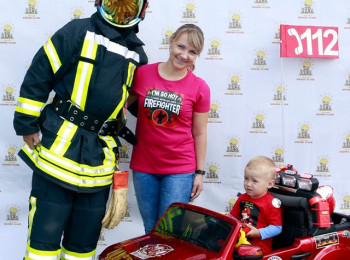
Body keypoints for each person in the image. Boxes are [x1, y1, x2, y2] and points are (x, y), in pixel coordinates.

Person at [13, 1, 148, 259]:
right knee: (43, 238)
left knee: (83, 244)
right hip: (58, 153)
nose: (121, 9)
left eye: (129, 5)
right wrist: (26, 122)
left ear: (141, 10)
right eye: (114, 2)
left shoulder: (138, 55)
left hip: (99, 162)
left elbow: (138, 104)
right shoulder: (77, 31)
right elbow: (40, 73)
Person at [128, 23, 211, 234]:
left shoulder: (200, 87)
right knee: (150, 229)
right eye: (181, 47)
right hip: (144, 166)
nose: (184, 55)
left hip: (180, 170)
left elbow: (200, 133)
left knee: (170, 232)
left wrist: (199, 173)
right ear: (171, 42)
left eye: (192, 52)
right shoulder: (143, 74)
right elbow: (121, 106)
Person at [229, 156, 282, 254]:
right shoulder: (242, 198)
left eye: (254, 181)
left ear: (270, 184)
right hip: (238, 243)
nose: (248, 184)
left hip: (258, 250)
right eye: (246, 179)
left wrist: (258, 233)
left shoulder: (271, 203)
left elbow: (277, 228)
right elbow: (233, 217)